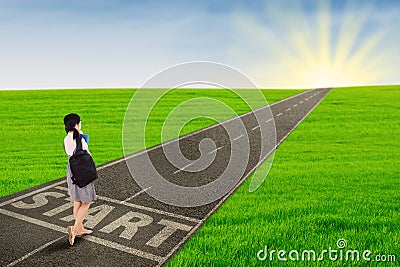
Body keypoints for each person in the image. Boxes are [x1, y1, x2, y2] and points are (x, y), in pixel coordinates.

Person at [63, 113, 97, 245]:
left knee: (77, 200)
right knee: (87, 201)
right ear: (76, 124)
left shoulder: (66, 139)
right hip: (83, 170)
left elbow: (70, 153)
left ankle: (80, 228)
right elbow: (87, 153)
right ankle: (75, 228)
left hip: (72, 170)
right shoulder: (81, 137)